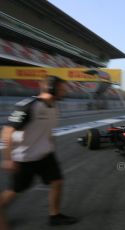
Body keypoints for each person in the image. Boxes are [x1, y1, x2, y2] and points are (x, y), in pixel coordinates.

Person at [0, 76, 78, 226]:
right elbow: (7, 132)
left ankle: (54, 216)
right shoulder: (29, 106)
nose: (65, 92)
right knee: (14, 191)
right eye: (62, 89)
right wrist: (8, 159)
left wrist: (50, 146)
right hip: (24, 158)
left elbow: (47, 130)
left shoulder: (54, 107)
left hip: (45, 155)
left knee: (57, 182)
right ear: (51, 88)